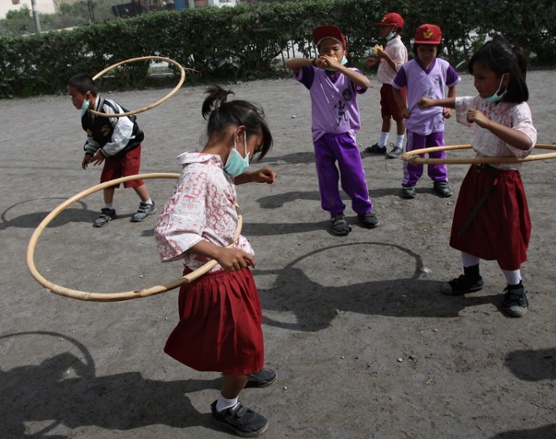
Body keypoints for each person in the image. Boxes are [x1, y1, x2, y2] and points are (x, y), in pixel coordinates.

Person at [154, 85, 278, 436]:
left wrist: (248, 176)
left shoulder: (213, 166)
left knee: (247, 330)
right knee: (244, 343)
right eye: (252, 151)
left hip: (230, 272)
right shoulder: (198, 173)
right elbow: (172, 230)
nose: (249, 158)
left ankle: (243, 367)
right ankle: (227, 406)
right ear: (239, 135)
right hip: (214, 279)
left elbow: (222, 178)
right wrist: (220, 252)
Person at [417, 35, 537, 318]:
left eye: (482, 77)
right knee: (466, 227)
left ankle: (515, 287)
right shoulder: (482, 101)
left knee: (506, 236)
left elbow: (525, 143)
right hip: (478, 174)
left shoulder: (517, 109)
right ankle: (472, 276)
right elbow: (460, 101)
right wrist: (433, 101)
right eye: (475, 77)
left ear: (504, 79)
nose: (477, 84)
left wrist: (488, 123)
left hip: (503, 181)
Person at [285, 25, 379, 236]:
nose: (330, 53)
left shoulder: (351, 74)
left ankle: (364, 209)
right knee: (327, 178)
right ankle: (336, 214)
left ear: (344, 51)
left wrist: (340, 67)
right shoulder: (313, 74)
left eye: (335, 49)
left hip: (345, 135)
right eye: (325, 49)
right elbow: (289, 64)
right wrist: (312, 62)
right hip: (322, 136)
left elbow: (366, 83)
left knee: (354, 176)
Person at [67, 74, 156, 227]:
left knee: (130, 176)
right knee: (107, 179)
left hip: (129, 145)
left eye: (73, 96)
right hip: (111, 148)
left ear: (87, 95)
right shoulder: (86, 114)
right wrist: (89, 152)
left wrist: (103, 153)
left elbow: (123, 134)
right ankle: (109, 209)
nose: (71, 100)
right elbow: (93, 136)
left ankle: (148, 203)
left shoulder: (109, 107)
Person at [392, 24, 460, 199]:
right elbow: (396, 88)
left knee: (438, 151)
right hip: (416, 120)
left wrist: (448, 106)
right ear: (416, 48)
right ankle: (409, 182)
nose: (427, 54)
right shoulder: (408, 68)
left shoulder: (444, 66)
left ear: (437, 49)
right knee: (415, 153)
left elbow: (453, 85)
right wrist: (403, 108)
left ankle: (440, 180)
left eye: (431, 49)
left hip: (437, 119)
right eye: (423, 49)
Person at [364, 12, 408, 158]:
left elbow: (400, 69)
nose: (381, 30)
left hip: (396, 87)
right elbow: (388, 61)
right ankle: (382, 144)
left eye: (384, 27)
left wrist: (386, 57)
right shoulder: (389, 44)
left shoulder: (398, 46)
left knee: (399, 117)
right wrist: (376, 61)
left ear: (394, 29)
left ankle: (399, 145)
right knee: (386, 115)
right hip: (386, 85)